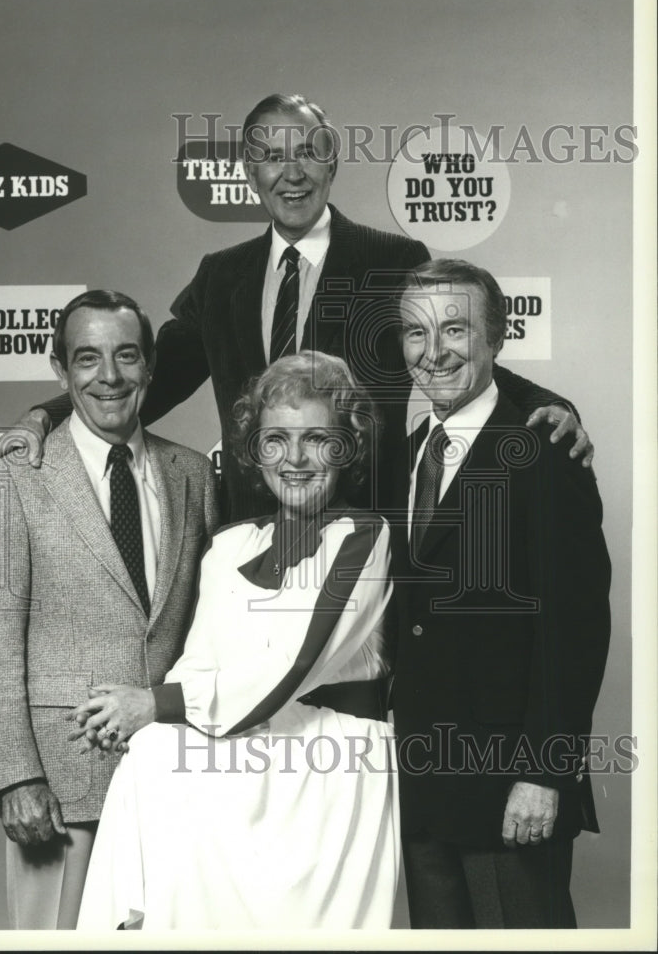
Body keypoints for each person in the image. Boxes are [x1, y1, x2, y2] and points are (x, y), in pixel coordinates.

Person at [0, 93, 593, 521]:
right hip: (249, 528)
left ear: (332, 162)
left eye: (307, 152)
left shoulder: (393, 258)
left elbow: (446, 357)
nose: (292, 173)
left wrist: (543, 402)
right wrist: (47, 413)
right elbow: (154, 376)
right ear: (251, 171)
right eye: (273, 157)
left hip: (364, 530)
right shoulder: (221, 276)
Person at [68, 352, 399, 930]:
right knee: (149, 757)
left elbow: (292, 665)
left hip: (331, 765)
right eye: (275, 440)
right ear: (255, 451)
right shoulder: (231, 545)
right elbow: (196, 667)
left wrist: (154, 703)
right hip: (242, 754)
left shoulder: (364, 538)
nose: (294, 459)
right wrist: (160, 706)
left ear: (348, 448)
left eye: (316, 438)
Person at [0, 290, 219, 929]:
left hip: (173, 777)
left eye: (126, 356)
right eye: (87, 359)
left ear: (151, 366)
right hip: (60, 783)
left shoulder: (192, 473)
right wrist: (16, 779)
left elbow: (206, 628)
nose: (109, 377)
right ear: (60, 370)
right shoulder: (15, 477)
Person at [390, 259, 611, 928]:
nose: (432, 353)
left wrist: (544, 772)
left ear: (496, 338)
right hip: (424, 790)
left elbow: (573, 628)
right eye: (414, 333)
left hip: (510, 790)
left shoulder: (542, 450)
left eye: (454, 330)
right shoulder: (403, 455)